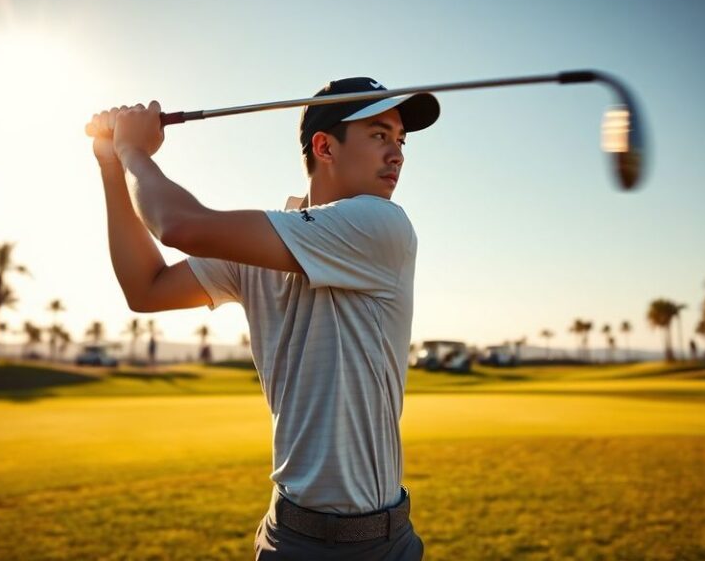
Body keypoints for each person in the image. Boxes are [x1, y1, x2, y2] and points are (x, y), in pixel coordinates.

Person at [86, 76, 440, 560]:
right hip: (287, 538)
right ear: (325, 147)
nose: (397, 154)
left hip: (379, 544)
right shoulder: (261, 248)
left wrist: (132, 151)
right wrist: (112, 165)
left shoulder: (382, 225)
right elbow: (146, 288)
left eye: (400, 140)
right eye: (379, 134)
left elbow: (180, 225)